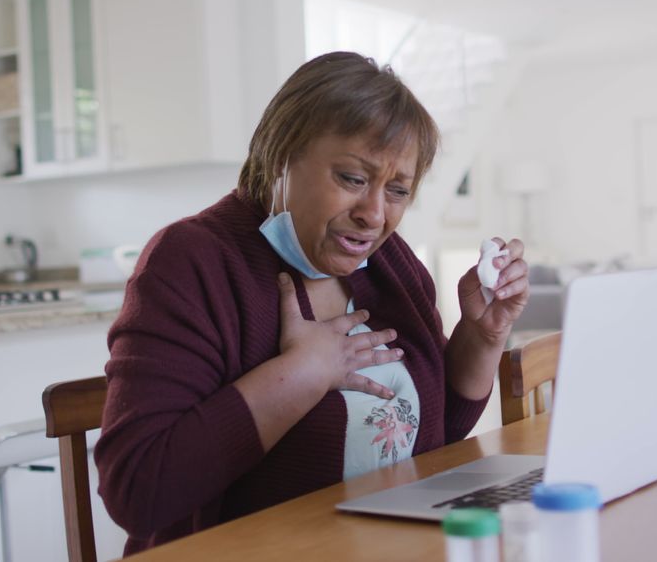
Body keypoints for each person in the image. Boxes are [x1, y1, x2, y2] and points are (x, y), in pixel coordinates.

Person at [95, 51, 530, 555]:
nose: (374, 214)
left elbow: (432, 438)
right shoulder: (193, 261)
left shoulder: (392, 264)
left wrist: (481, 336)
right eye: (352, 178)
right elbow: (138, 493)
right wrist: (303, 374)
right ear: (280, 156)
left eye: (397, 190)